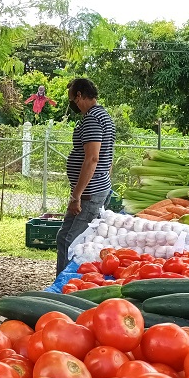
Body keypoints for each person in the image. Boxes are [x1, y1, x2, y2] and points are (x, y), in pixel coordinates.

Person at [55, 78, 115, 274]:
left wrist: (77, 196)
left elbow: (92, 159)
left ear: (79, 95)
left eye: (71, 98)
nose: (71, 103)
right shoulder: (104, 116)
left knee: (73, 243)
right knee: (64, 237)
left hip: (89, 193)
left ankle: (67, 285)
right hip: (95, 188)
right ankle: (64, 282)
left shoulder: (92, 119)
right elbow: (108, 156)